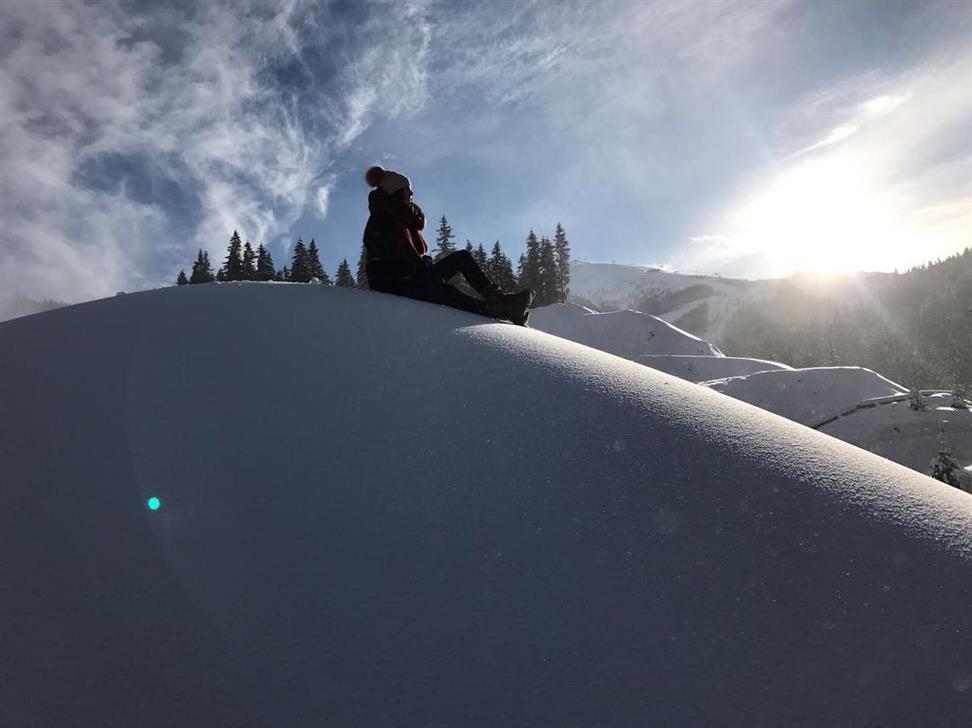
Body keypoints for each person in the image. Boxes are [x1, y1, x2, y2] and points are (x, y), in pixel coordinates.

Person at [362, 165, 533, 325]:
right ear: (397, 193)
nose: (411, 198)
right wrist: (397, 287)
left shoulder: (400, 220)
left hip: (416, 278)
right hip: (401, 288)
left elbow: (410, 257)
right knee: (446, 292)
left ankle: (499, 301)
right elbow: (378, 266)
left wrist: (420, 269)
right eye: (407, 193)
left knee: (462, 258)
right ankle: (502, 311)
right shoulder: (381, 220)